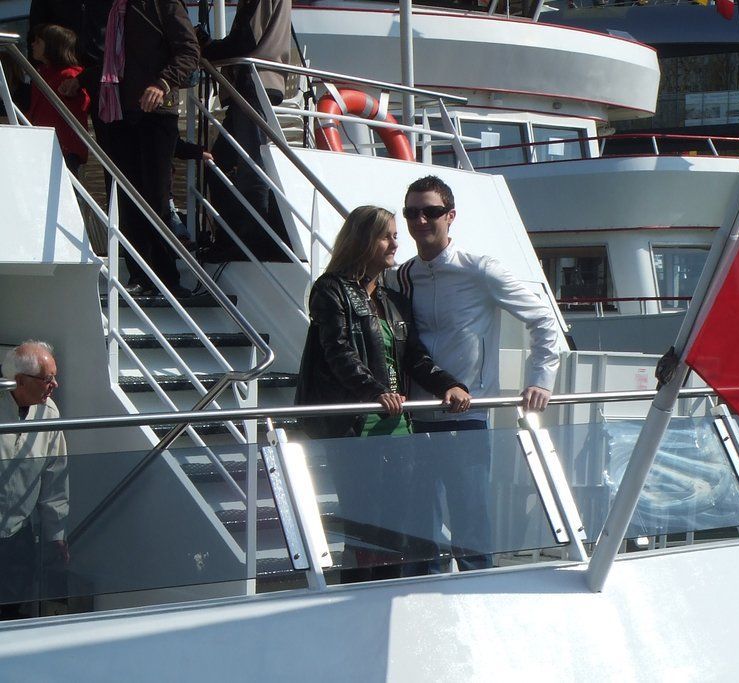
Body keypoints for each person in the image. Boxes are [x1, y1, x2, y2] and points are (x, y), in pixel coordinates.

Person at [395, 175, 562, 573]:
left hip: (466, 417)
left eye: (431, 211)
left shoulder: (480, 270)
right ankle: (423, 604)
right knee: (420, 535)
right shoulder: (401, 275)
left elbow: (543, 319)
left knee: (470, 528)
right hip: (416, 417)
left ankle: (479, 596)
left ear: (450, 216)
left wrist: (540, 379)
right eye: (412, 213)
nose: (421, 220)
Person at [294, 205, 471, 579]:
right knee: (364, 526)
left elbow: (415, 357)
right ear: (362, 240)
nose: (395, 243)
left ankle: (388, 596)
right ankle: (359, 599)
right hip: (356, 426)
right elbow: (338, 350)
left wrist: (449, 384)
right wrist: (375, 392)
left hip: (397, 426)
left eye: (394, 236)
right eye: (386, 236)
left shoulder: (392, 299)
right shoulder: (331, 290)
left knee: (397, 527)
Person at [64, 0, 199, 298]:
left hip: (155, 112)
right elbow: (114, 63)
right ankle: (140, 275)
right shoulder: (113, 8)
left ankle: (167, 278)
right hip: (118, 112)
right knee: (126, 198)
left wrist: (163, 83)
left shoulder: (162, 4)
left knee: (155, 198)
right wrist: (82, 80)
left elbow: (189, 51)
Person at [197, 0, 292, 261]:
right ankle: (234, 238)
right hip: (256, 84)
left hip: (254, 83)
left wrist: (206, 48)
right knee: (220, 163)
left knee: (250, 168)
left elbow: (246, 40)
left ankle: (249, 242)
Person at [0, 341, 68, 619]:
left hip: (17, 536)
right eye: (47, 379)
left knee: (11, 612)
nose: (55, 385)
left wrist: (56, 534)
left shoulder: (48, 412)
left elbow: (55, 477)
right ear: (19, 381)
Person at [26, 24, 91, 176]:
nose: (32, 44)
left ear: (51, 46)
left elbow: (84, 102)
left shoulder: (71, 76)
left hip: (64, 149)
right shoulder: (41, 74)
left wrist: (72, 92)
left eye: (38, 41)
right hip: (42, 144)